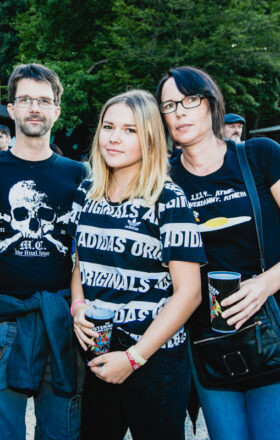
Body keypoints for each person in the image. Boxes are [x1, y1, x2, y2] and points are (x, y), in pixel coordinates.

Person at [0, 63, 86, 440]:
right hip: (0, 322)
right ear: (10, 108)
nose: (34, 108)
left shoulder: (79, 174)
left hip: (60, 320)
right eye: (25, 99)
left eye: (44, 101)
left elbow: (86, 257)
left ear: (56, 110)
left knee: (62, 432)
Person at [69, 89, 205, 440]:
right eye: (109, 126)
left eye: (130, 130)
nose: (114, 138)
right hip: (99, 349)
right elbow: (80, 265)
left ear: (149, 138)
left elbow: (189, 294)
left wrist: (133, 358)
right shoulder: (86, 191)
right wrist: (78, 305)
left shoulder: (169, 198)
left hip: (154, 356)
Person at [156, 66, 280, 440]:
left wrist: (265, 284)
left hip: (269, 326)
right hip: (205, 337)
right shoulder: (162, 179)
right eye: (168, 105)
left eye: (189, 100)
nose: (179, 112)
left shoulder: (259, 156)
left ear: (211, 104)